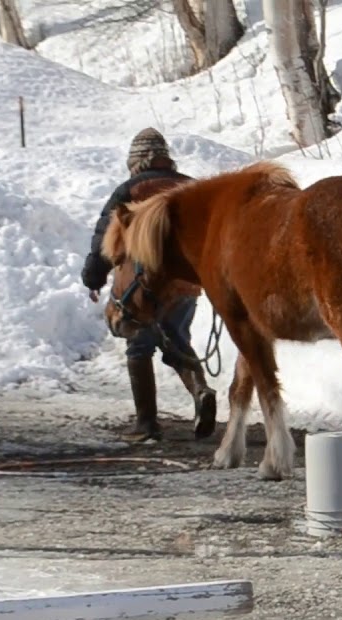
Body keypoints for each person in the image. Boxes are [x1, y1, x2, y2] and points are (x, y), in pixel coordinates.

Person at [80, 128, 217, 443]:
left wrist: (94, 277)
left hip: (143, 286)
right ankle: (200, 391)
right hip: (185, 284)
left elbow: (105, 239)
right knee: (177, 340)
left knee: (139, 345)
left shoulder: (130, 190)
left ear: (136, 162)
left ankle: (146, 424)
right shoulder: (192, 187)